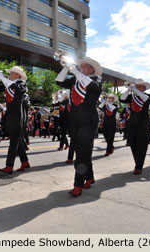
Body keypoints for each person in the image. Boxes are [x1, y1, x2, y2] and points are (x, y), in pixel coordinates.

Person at [56, 56, 103, 197]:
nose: (83, 68)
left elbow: (91, 87)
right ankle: (89, 177)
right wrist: (66, 66)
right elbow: (59, 81)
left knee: (83, 151)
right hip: (74, 119)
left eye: (87, 66)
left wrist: (75, 71)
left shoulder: (96, 81)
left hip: (89, 120)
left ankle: (78, 184)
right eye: (82, 66)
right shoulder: (74, 80)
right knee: (80, 150)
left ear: (92, 70)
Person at [0, 66, 30, 174]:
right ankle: (25, 161)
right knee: (17, 139)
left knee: (13, 141)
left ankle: (9, 165)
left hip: (17, 115)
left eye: (12, 73)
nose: (10, 74)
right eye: (10, 73)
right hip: (10, 115)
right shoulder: (8, 84)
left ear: (18, 75)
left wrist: (3, 78)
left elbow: (17, 88)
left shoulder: (22, 83)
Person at [120, 79, 150, 175]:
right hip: (132, 123)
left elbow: (148, 101)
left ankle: (138, 166)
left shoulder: (148, 95)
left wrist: (135, 90)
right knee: (132, 143)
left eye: (140, 86)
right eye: (137, 86)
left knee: (142, 145)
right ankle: (138, 163)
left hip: (144, 123)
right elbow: (122, 99)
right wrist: (128, 90)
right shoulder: (131, 96)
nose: (137, 87)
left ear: (144, 88)